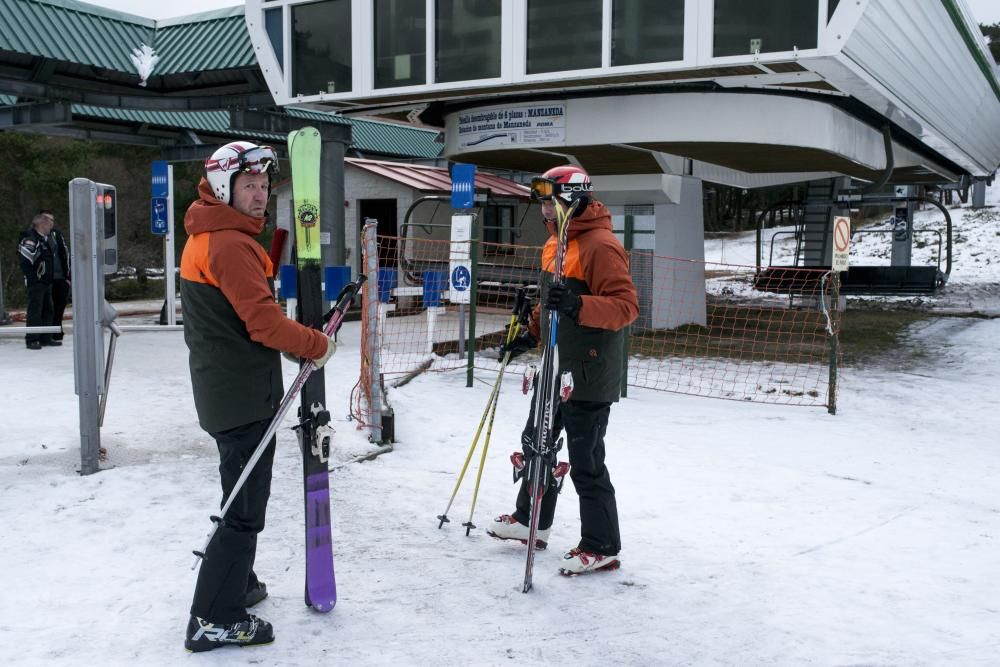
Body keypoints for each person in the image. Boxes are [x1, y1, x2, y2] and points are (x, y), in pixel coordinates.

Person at [180, 141, 336, 652]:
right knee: (244, 507)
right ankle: (213, 616)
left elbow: (244, 320)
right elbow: (263, 322)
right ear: (224, 187)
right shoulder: (228, 243)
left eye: (265, 185)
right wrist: (316, 345)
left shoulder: (212, 234)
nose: (260, 194)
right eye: (249, 185)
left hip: (227, 389)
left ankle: (237, 583)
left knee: (239, 492)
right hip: (241, 395)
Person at [488, 165, 639, 575]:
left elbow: (626, 308)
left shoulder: (600, 246)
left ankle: (601, 543)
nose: (543, 210)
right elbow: (552, 301)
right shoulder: (556, 243)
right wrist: (529, 330)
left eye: (548, 201)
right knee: (536, 441)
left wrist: (578, 305)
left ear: (569, 199)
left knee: (585, 458)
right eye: (540, 202)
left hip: (588, 369)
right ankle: (530, 521)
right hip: (554, 363)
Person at [17, 213, 58, 349]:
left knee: (48, 310)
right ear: (41, 224)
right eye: (49, 223)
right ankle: (32, 339)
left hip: (46, 281)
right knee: (35, 310)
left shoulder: (46, 239)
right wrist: (33, 279)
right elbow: (25, 261)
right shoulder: (31, 239)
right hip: (36, 282)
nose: (51, 225)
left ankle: (46, 337)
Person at [40, 211, 71, 342]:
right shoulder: (33, 235)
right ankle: (44, 333)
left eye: (52, 220)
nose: (51, 222)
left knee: (60, 305)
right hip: (45, 278)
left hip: (60, 277)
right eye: (47, 220)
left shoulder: (57, 234)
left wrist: (68, 276)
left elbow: (65, 253)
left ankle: (57, 330)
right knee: (46, 307)